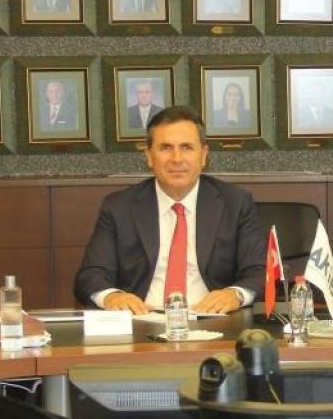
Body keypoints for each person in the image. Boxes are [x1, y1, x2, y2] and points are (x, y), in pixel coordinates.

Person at [74, 105, 264, 314]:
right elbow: (91, 275)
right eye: (165, 148)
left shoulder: (235, 203)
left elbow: (258, 271)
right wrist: (112, 297)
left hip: (212, 319)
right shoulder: (119, 207)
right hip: (143, 320)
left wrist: (234, 294)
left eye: (187, 147)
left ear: (203, 155)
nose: (177, 159)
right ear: (149, 156)